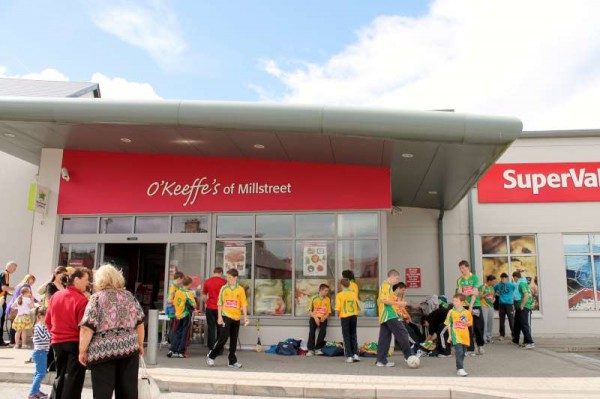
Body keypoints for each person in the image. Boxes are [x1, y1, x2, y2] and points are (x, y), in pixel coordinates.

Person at [78, 264, 145, 399]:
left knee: (103, 392)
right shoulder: (129, 296)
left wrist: (82, 350)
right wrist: (140, 344)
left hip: (103, 351)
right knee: (128, 391)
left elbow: (87, 328)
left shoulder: (97, 298)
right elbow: (140, 324)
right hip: (129, 348)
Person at [46, 267, 91, 399]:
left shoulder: (55, 296)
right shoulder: (81, 300)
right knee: (73, 379)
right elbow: (83, 327)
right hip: (74, 342)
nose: (88, 283)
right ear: (76, 279)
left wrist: (55, 335)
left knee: (60, 375)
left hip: (57, 342)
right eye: (86, 279)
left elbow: (48, 321)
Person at [206, 268, 249, 368]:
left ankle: (232, 361)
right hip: (226, 315)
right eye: (227, 277)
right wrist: (219, 317)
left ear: (235, 278)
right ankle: (211, 356)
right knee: (223, 338)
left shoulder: (240, 289)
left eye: (230, 277)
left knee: (234, 340)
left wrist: (245, 317)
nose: (228, 279)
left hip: (236, 317)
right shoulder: (224, 288)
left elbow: (244, 304)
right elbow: (220, 303)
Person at [375, 269, 414, 367]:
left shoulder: (388, 287)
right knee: (403, 332)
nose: (397, 281)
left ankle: (381, 360)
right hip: (389, 314)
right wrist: (399, 303)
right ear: (391, 276)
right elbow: (384, 300)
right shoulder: (385, 286)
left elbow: (392, 299)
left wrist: (400, 302)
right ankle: (408, 356)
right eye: (397, 278)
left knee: (385, 337)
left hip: (386, 315)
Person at [456, 260, 484, 355]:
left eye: (463, 268)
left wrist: (471, 307)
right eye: (460, 268)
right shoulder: (460, 280)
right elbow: (460, 294)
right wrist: (468, 293)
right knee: (467, 327)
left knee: (478, 326)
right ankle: (470, 349)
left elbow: (475, 293)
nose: (461, 270)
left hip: (475, 305)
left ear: (468, 267)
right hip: (464, 306)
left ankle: (480, 346)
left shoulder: (474, 278)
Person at [445, 293, 473, 377]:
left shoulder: (467, 312)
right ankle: (461, 368)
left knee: (463, 352)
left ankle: (458, 367)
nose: (454, 302)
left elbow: (470, 323)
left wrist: (467, 323)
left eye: (456, 301)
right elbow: (449, 324)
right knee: (459, 351)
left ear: (462, 302)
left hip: (464, 335)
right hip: (456, 335)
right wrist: (450, 335)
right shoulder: (451, 312)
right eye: (453, 300)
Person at [168, 275, 196, 358]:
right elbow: (194, 305)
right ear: (189, 284)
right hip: (185, 315)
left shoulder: (178, 292)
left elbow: (173, 302)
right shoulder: (188, 293)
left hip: (177, 315)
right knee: (185, 333)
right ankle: (181, 351)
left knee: (176, 332)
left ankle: (172, 349)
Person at [8, 274, 37, 346]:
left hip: (18, 315)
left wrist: (19, 307)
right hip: (24, 316)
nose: (33, 282)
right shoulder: (26, 287)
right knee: (23, 331)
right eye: (32, 280)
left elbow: (13, 305)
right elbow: (32, 307)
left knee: (16, 330)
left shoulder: (19, 286)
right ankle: (23, 344)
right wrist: (34, 301)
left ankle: (14, 343)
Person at [336, 279, 360, 363]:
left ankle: (349, 355)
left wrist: (339, 314)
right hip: (354, 315)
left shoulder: (339, 295)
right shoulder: (353, 294)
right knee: (353, 334)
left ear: (341, 285)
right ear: (349, 285)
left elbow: (338, 308)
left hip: (345, 316)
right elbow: (358, 305)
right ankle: (356, 354)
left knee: (346, 336)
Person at [202, 267, 226, 352]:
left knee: (211, 328)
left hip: (210, 307)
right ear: (221, 273)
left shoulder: (207, 281)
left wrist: (206, 302)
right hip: (221, 309)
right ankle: (219, 349)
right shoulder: (224, 282)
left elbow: (204, 296)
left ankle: (211, 348)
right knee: (220, 329)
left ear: (214, 272)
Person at [29, 307, 51, 399]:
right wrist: (51, 334)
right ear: (40, 316)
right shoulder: (39, 326)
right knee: (41, 373)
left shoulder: (43, 326)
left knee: (38, 373)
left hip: (42, 352)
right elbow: (44, 337)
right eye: (46, 316)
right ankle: (32, 393)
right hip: (39, 352)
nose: (48, 317)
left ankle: (36, 390)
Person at [306, 283, 331, 356]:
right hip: (314, 317)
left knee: (323, 331)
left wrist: (324, 317)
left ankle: (318, 348)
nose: (327, 292)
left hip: (323, 317)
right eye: (326, 291)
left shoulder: (327, 299)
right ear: (321, 290)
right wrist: (315, 318)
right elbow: (309, 310)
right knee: (311, 332)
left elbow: (328, 312)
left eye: (327, 291)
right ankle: (310, 349)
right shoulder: (313, 298)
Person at [512, 271, 535, 349]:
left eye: (514, 278)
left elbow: (526, 295)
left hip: (523, 306)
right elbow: (531, 294)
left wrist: (522, 305)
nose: (514, 280)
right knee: (518, 323)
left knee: (524, 324)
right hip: (523, 306)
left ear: (515, 277)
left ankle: (530, 342)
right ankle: (518, 340)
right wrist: (531, 303)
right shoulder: (525, 284)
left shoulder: (521, 284)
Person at [0, 261, 18, 346]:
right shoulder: (5, 274)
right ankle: (0, 341)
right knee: (1, 320)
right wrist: (15, 289)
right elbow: (3, 287)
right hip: (1, 300)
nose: (14, 271)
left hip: (2, 298)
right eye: (14, 269)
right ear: (10, 267)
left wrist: (11, 294)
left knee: (2, 319)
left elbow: (3, 289)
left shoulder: (4, 273)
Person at [494, 273, 516, 341]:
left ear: (507, 278)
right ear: (500, 278)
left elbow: (516, 291)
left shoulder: (511, 285)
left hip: (509, 304)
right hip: (501, 304)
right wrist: (496, 294)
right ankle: (501, 335)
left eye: (505, 278)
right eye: (502, 278)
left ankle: (514, 335)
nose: (503, 279)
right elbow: (493, 290)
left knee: (511, 320)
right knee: (501, 320)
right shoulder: (498, 285)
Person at [480, 275, 496, 344]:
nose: (494, 283)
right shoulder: (482, 287)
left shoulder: (492, 287)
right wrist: (486, 294)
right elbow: (479, 297)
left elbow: (494, 296)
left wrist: (493, 299)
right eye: (493, 282)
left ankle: (489, 336)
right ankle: (484, 338)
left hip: (491, 306)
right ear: (489, 281)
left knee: (490, 322)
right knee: (485, 322)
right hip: (484, 306)